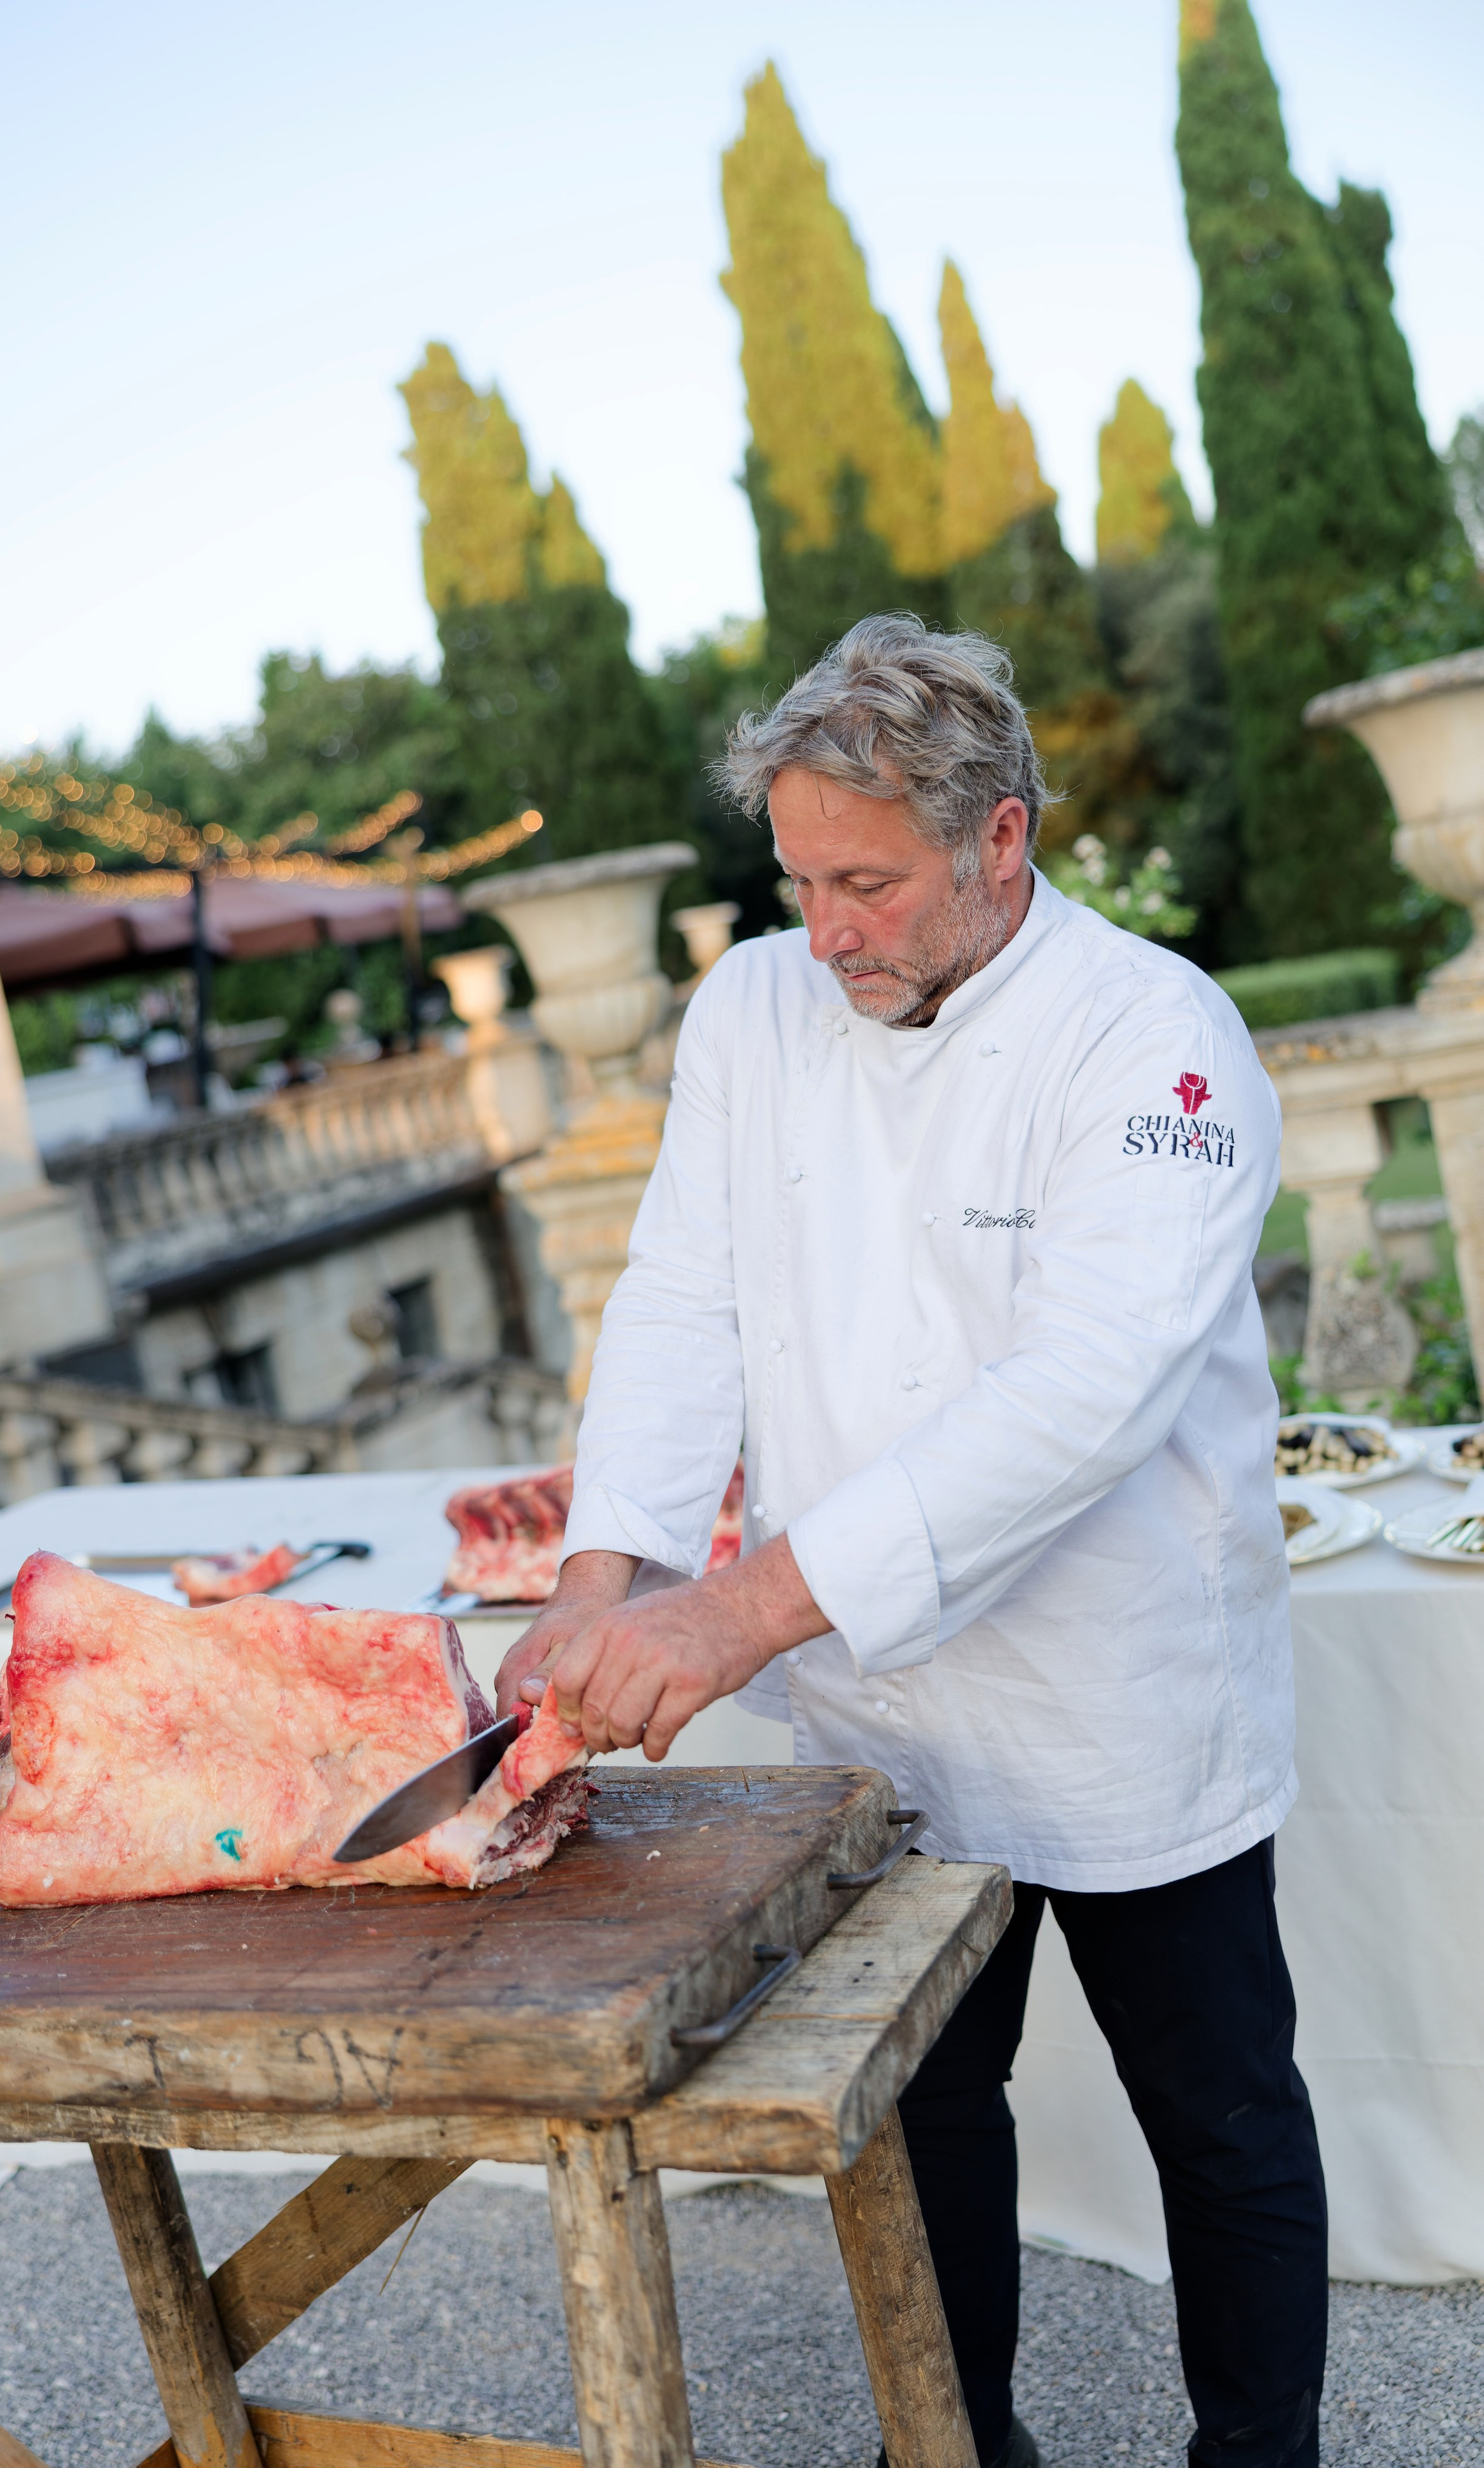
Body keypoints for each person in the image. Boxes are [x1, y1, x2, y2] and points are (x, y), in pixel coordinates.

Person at [495, 614, 1327, 2468]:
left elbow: (1080, 1397)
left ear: (1002, 841)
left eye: (865, 882)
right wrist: (602, 1576)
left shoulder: (1157, 1039)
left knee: (1222, 2114)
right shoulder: (756, 1010)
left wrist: (737, 1619)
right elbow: (682, 1297)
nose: (827, 931)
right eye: (797, 880)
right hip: (878, 1699)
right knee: (917, 2102)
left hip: (1120, 1689)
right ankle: (950, 2448)